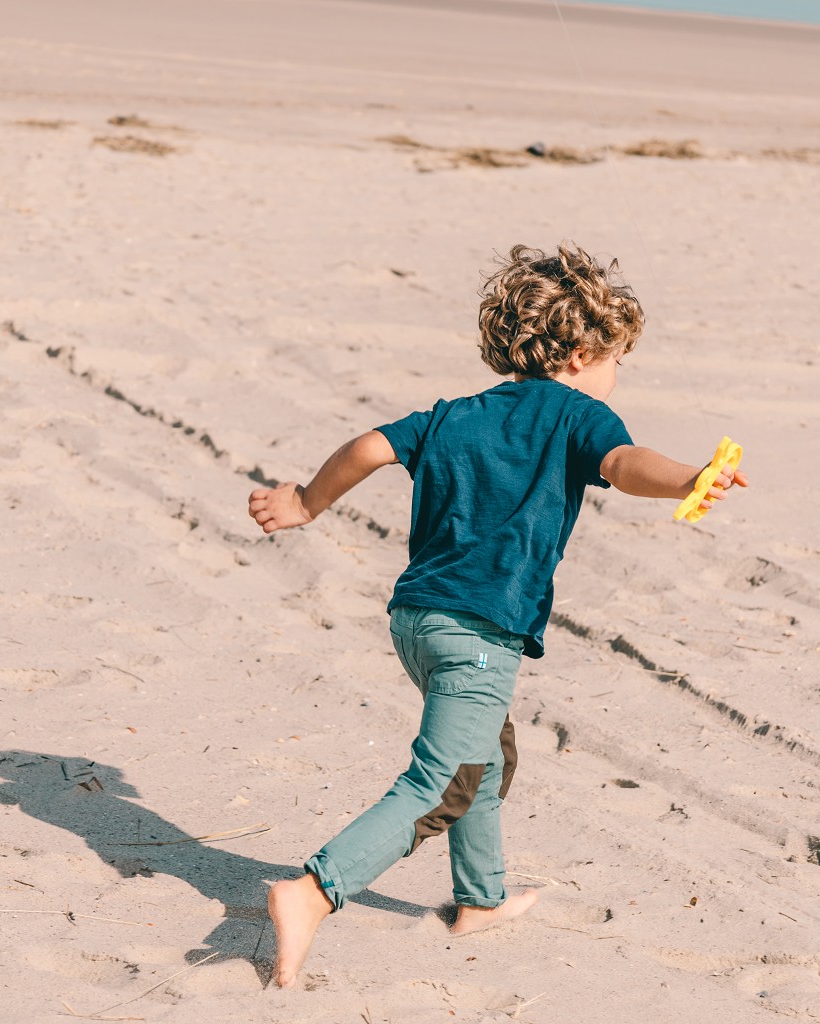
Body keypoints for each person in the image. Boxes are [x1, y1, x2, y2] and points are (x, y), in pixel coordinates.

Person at [247, 242, 748, 988]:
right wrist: (688, 479)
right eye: (616, 360)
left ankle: (481, 901)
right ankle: (315, 892)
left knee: (484, 759)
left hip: (417, 621)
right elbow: (624, 463)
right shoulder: (579, 415)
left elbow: (370, 447)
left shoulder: (454, 415)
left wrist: (307, 501)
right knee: (443, 780)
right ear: (581, 354)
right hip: (480, 633)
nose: (615, 378)